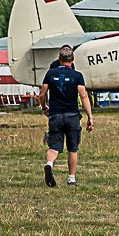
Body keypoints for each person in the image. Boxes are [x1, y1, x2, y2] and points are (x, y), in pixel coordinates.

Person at [40, 45, 94, 186]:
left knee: (54, 147)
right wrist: (90, 116)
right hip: (72, 115)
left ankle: (49, 163)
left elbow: (42, 94)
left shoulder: (50, 74)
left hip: (55, 115)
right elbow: (83, 96)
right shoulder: (77, 76)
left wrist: (44, 107)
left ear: (59, 58)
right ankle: (71, 178)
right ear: (72, 59)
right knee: (72, 148)